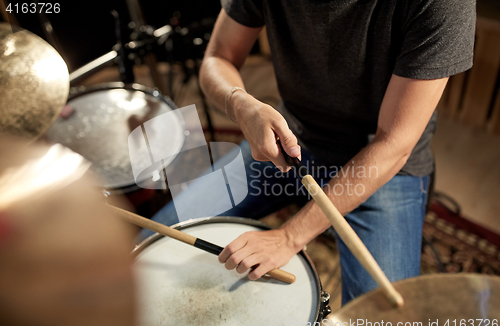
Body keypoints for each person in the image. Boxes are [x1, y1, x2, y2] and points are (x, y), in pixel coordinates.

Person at [151, 0, 476, 305]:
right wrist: (240, 104)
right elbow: (217, 57)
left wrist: (290, 236)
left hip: (382, 166)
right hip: (292, 141)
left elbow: (393, 143)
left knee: (380, 317)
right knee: (154, 244)